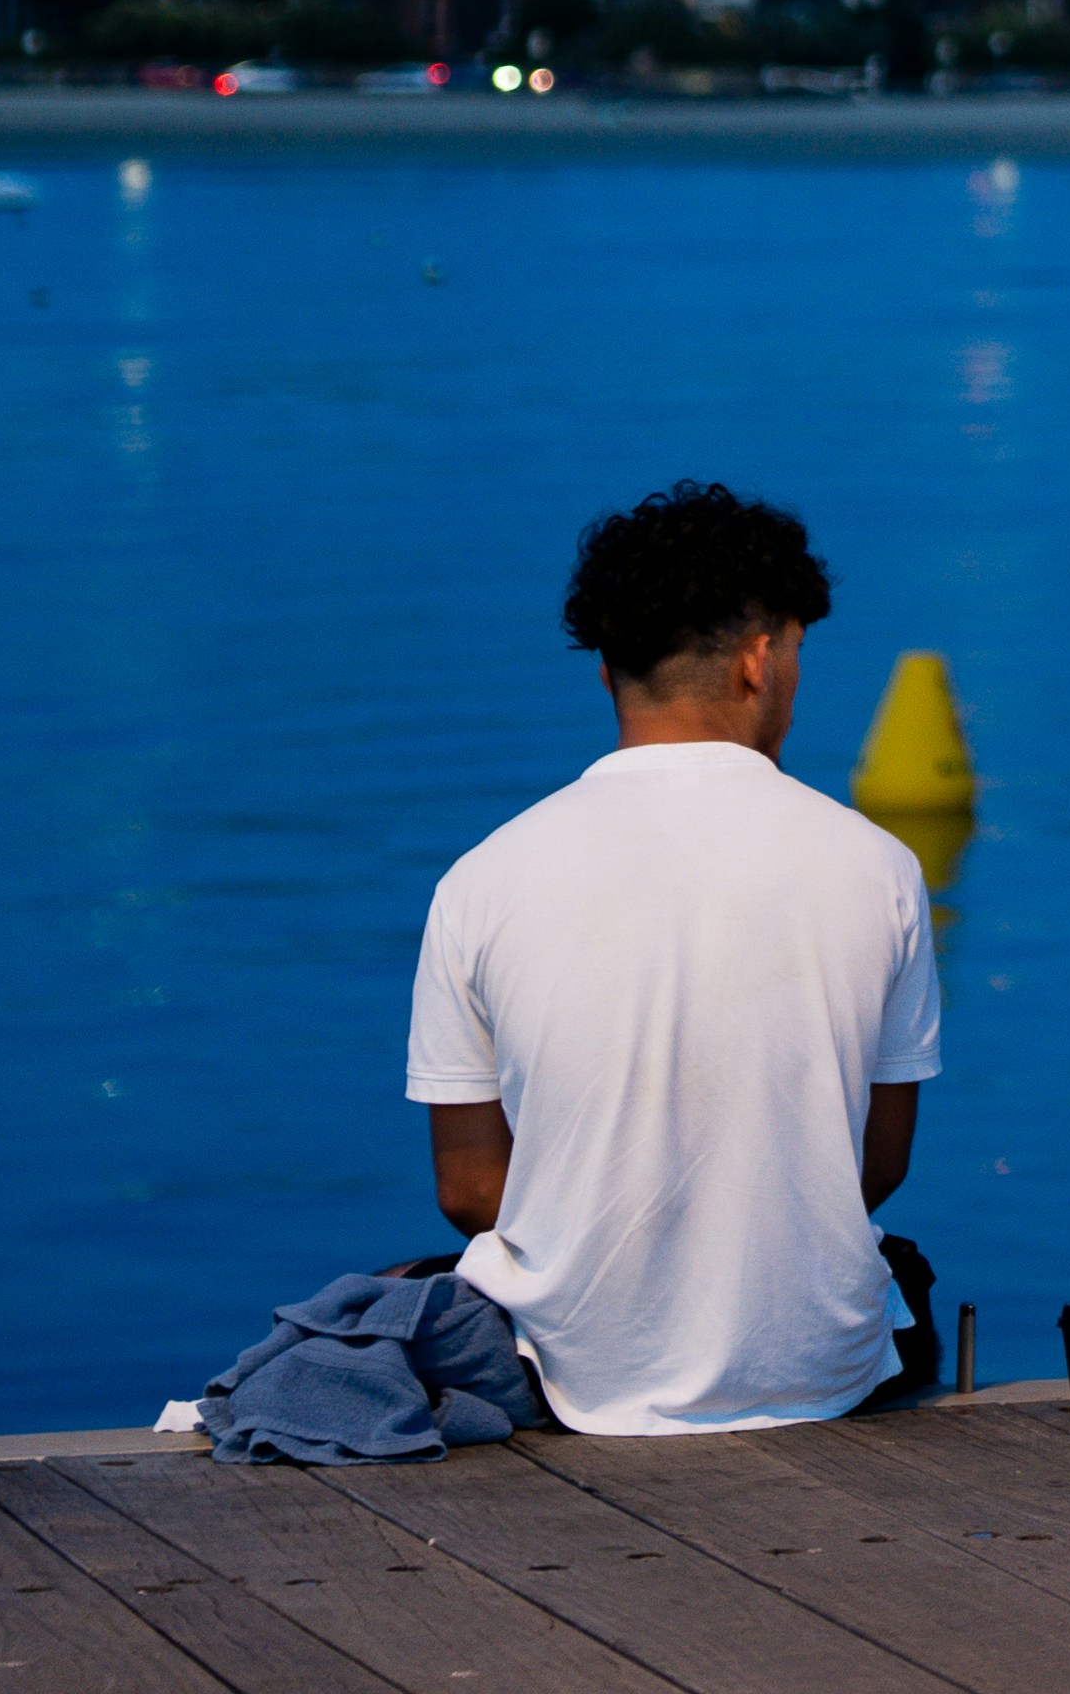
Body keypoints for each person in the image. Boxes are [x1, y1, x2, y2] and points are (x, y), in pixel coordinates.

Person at [405, 481, 945, 1432]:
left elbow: (470, 1190)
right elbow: (876, 1159)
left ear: (606, 668)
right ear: (760, 658)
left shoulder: (481, 880)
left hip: (572, 1375)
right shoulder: (880, 868)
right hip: (820, 1370)